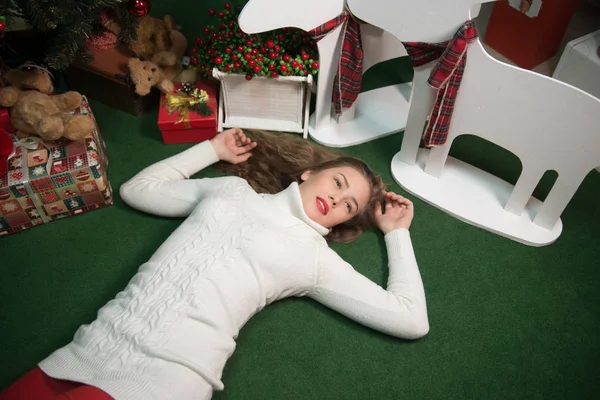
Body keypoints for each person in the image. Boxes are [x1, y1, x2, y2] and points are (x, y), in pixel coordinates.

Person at [0, 128, 429, 400]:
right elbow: (139, 189)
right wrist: (210, 148)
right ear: (307, 174)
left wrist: (397, 234)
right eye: (338, 182)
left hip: (169, 376)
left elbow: (410, 319)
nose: (337, 199)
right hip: (93, 344)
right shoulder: (230, 189)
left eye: (348, 205)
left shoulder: (316, 259)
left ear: (339, 221)